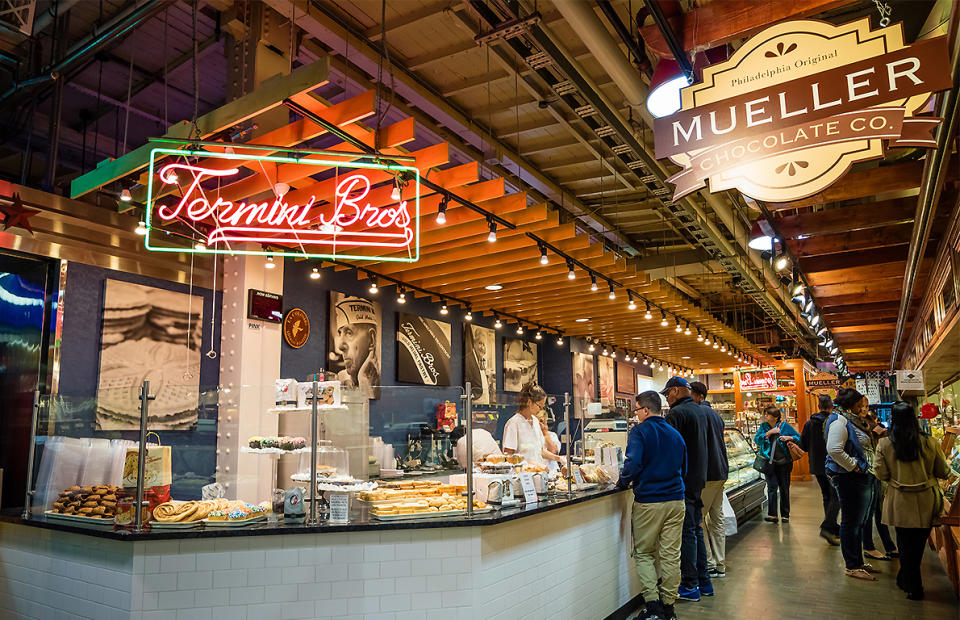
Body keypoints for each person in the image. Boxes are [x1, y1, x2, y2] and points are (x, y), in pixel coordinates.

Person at [615, 390, 686, 620]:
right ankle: (669, 608)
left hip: (649, 501)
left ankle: (654, 609)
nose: (636, 415)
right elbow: (683, 468)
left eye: (636, 410)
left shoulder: (640, 431)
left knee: (645, 554)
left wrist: (623, 482)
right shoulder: (675, 434)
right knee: (670, 556)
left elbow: (632, 463)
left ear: (645, 410)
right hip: (677, 500)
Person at [875, 401, 949, 600]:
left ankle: (910, 582)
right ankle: (910, 582)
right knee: (917, 544)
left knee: (904, 542)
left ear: (893, 420)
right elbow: (943, 471)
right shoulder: (930, 442)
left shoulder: (884, 444)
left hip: (899, 500)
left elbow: (880, 474)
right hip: (927, 499)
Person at [662, 376, 712, 602]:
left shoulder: (676, 414)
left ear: (675, 391)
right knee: (696, 529)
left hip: (684, 479)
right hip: (699, 476)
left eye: (667, 394)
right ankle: (704, 582)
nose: (666, 398)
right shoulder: (700, 410)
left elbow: (670, 449)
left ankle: (690, 585)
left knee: (687, 532)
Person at [826, 388, 879, 581]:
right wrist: (854, 466)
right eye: (859, 404)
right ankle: (851, 565)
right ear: (851, 405)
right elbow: (833, 449)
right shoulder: (839, 421)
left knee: (858, 521)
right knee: (851, 522)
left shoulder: (850, 420)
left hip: (861, 477)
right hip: (848, 477)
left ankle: (858, 561)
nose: (862, 407)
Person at [690, 381, 729, 579]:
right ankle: (720, 563)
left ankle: (709, 564)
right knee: (716, 518)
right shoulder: (715, 415)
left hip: (706, 475)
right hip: (721, 471)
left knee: (699, 520)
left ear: (699, 396)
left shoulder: (697, 414)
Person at [801, 394, 841, 545]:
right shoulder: (834, 422)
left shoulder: (809, 423)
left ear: (818, 407)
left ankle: (831, 526)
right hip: (833, 464)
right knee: (836, 496)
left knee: (826, 496)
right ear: (831, 406)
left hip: (817, 466)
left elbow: (803, 446)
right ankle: (828, 526)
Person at [862, 407, 898, 560]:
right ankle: (870, 547)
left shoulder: (875, 428)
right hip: (870, 474)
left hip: (876, 475)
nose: (863, 409)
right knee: (871, 512)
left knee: (878, 511)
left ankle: (888, 546)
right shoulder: (862, 427)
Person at [754, 406, 800, 523]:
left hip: (784, 463)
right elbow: (757, 439)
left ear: (775, 417)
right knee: (772, 488)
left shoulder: (784, 426)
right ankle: (773, 515)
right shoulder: (764, 427)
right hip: (769, 462)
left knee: (784, 488)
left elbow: (798, 437)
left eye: (767, 414)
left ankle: (785, 515)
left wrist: (788, 437)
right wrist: (768, 433)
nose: (765, 416)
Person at [331, 294, 381, 399]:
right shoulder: (340, 380)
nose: (340, 346)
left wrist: (364, 382)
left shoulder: (378, 383)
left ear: (371, 339)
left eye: (349, 333)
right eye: (340, 333)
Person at [502, 383, 564, 466]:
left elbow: (540, 451)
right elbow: (509, 456)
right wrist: (531, 464)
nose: (541, 409)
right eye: (539, 406)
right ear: (529, 402)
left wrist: (558, 458)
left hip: (539, 473)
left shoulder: (535, 421)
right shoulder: (513, 423)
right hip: (523, 475)